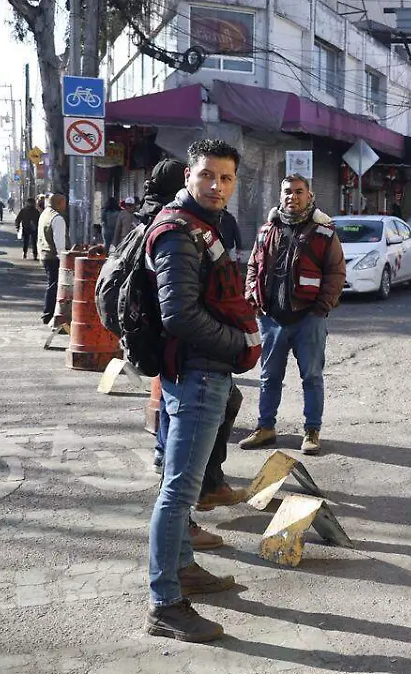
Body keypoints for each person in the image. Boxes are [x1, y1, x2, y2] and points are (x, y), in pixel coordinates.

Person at [144, 138, 261, 642]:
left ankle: (184, 568)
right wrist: (238, 345)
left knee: (179, 487)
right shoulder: (177, 234)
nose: (217, 186)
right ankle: (165, 603)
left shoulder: (201, 227)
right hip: (197, 374)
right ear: (188, 175)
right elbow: (179, 315)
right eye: (207, 175)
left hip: (196, 372)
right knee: (178, 493)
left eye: (227, 178)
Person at [240, 174, 346, 456]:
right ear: (281, 195)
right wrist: (253, 297)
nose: (292, 197)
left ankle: (312, 431)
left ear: (309, 196)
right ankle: (265, 428)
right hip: (271, 320)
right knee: (268, 377)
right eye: (287, 191)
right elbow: (253, 266)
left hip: (308, 318)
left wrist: (322, 308)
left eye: (299, 192)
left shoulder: (324, 232)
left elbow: (336, 273)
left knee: (311, 377)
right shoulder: (266, 230)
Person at [37, 193, 68, 324]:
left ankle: (48, 313)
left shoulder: (45, 214)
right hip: (53, 257)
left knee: (52, 284)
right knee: (55, 286)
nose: (66, 205)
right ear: (59, 203)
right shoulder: (57, 218)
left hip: (44, 254)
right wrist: (64, 259)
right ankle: (48, 314)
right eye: (64, 202)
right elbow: (59, 243)